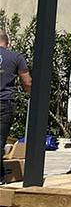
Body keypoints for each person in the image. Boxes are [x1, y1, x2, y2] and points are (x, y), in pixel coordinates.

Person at [0, 33, 31, 183]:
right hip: (4, 103)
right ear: (7, 42)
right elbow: (27, 82)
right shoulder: (15, 57)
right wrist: (31, 94)